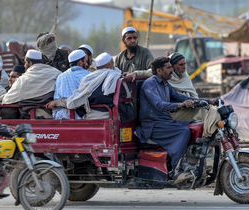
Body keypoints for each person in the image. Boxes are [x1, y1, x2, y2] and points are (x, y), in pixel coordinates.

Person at [135, 57, 217, 185]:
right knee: (183, 132)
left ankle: (194, 165)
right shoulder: (150, 84)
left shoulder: (166, 85)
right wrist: (181, 105)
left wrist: (207, 101)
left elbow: (182, 97)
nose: (172, 70)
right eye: (168, 68)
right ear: (159, 71)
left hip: (165, 122)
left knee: (195, 126)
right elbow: (159, 105)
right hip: (153, 126)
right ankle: (177, 172)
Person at [125, 52, 207, 121]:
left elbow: (182, 97)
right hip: (170, 113)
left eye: (185, 64)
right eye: (181, 65)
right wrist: (135, 73)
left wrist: (205, 101)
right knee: (186, 130)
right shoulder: (155, 81)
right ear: (172, 67)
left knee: (206, 108)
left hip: (189, 106)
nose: (184, 67)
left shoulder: (182, 78)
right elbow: (159, 105)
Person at [0, 50, 61, 119]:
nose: (24, 65)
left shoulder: (23, 80)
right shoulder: (57, 73)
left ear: (30, 63)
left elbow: (8, 99)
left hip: (35, 116)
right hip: (56, 115)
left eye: (25, 62)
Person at [64, 52, 123, 120]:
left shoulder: (87, 78)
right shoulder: (116, 76)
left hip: (90, 116)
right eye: (113, 64)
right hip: (110, 116)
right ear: (108, 66)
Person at [49, 50, 90, 119]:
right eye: (85, 62)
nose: (86, 64)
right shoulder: (89, 75)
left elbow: (57, 99)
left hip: (63, 118)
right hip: (84, 117)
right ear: (80, 63)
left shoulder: (61, 77)